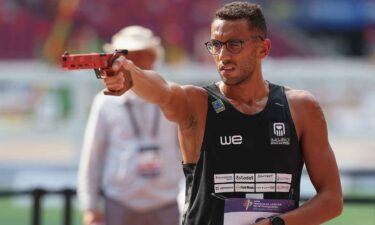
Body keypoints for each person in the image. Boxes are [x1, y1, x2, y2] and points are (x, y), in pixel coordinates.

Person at [101, 2, 343, 225]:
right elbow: (163, 90)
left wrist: (277, 224)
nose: (223, 56)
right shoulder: (197, 103)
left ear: (263, 48)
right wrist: (128, 72)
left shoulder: (300, 107)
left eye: (234, 44)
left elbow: (332, 200)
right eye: (216, 45)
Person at [77, 25, 183, 225]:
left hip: (167, 201)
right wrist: (89, 206)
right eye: (127, 56)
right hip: (120, 201)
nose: (133, 62)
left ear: (153, 57)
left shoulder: (172, 97)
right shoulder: (106, 101)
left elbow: (188, 155)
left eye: (141, 54)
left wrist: (186, 199)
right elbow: (93, 156)